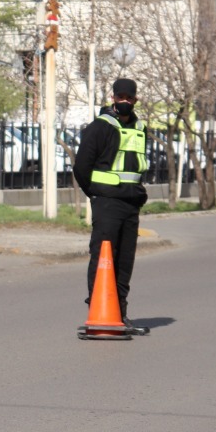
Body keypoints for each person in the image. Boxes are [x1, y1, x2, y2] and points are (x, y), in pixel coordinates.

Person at [73, 77, 149, 335]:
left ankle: (120, 313)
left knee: (124, 261)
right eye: (120, 97)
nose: (125, 101)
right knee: (104, 257)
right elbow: (82, 167)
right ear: (113, 98)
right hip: (106, 202)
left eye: (129, 98)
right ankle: (97, 308)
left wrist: (137, 194)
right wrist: (95, 194)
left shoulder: (140, 128)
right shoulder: (100, 127)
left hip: (131, 204)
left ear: (135, 99)